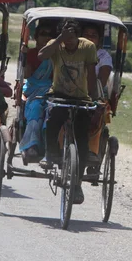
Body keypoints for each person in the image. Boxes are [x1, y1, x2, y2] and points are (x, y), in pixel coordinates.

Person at [38, 19, 99, 205]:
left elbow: (91, 73)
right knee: (52, 123)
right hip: (58, 95)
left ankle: (77, 184)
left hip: (81, 98)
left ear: (78, 36)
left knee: (81, 140)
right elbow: (41, 55)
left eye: (71, 38)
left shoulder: (88, 47)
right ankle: (51, 154)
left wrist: (94, 99)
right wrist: (58, 40)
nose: (69, 42)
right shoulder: (56, 45)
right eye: (66, 38)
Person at [19, 23, 56, 161]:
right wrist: (25, 56)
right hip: (34, 91)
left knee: (53, 113)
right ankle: (32, 145)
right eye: (43, 34)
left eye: (49, 35)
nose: (46, 37)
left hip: (53, 92)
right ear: (36, 37)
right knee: (35, 108)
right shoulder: (32, 53)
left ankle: (50, 148)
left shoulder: (57, 55)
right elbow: (27, 75)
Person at [81, 24, 113, 167]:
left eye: (93, 35)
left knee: (97, 115)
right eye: (86, 34)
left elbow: (101, 81)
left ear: (99, 39)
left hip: (95, 95)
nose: (89, 37)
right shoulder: (73, 51)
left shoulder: (103, 56)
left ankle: (92, 152)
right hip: (71, 92)